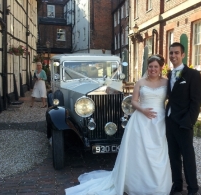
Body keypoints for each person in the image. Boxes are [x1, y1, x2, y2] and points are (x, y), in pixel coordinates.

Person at [65, 54, 172, 195]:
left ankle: (158, 184)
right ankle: (136, 183)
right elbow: (133, 101)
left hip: (160, 121)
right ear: (148, 67)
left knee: (158, 152)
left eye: (155, 67)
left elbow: (175, 99)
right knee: (140, 153)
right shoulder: (140, 82)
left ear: (161, 67)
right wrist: (143, 110)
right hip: (141, 120)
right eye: (150, 66)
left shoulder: (167, 82)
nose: (153, 69)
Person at [165, 42, 201, 195]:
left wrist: (189, 121)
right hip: (169, 121)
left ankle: (193, 188)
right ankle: (177, 184)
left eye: (176, 53)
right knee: (173, 156)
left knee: (188, 157)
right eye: (171, 53)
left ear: (183, 55)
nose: (173, 55)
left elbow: (196, 101)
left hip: (184, 123)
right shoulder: (168, 74)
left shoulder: (193, 75)